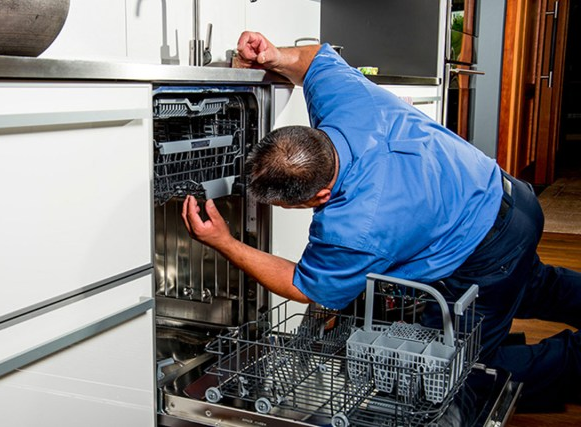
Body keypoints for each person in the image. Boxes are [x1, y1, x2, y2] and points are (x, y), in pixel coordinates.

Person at [181, 31, 581, 411]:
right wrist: (274, 55)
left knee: (448, 372)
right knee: (527, 285)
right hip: (512, 198)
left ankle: (573, 360)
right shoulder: (344, 102)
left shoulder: (354, 227)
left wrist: (225, 242)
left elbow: (303, 286)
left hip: (485, 248)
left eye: (291, 206)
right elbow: (317, 57)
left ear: (320, 196)